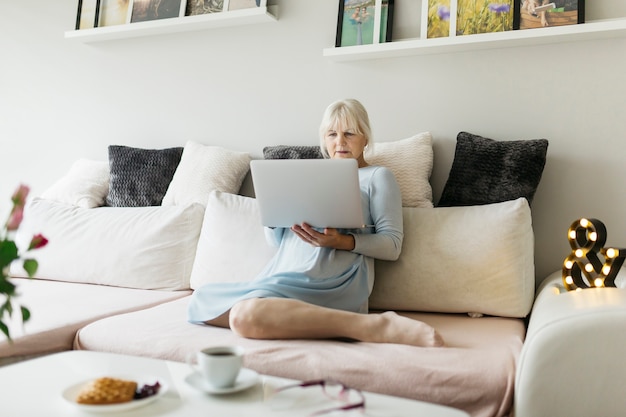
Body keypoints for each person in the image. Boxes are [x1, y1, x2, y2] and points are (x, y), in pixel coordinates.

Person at [187, 99, 444, 348]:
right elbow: (276, 243)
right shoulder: (304, 176)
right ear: (324, 139)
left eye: (349, 133)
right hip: (284, 273)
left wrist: (341, 241)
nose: (340, 142)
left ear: (365, 137)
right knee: (200, 301)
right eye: (332, 134)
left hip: (333, 279)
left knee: (244, 317)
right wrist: (276, 217)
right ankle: (312, 320)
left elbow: (392, 245)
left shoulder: (378, 177)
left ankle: (371, 326)